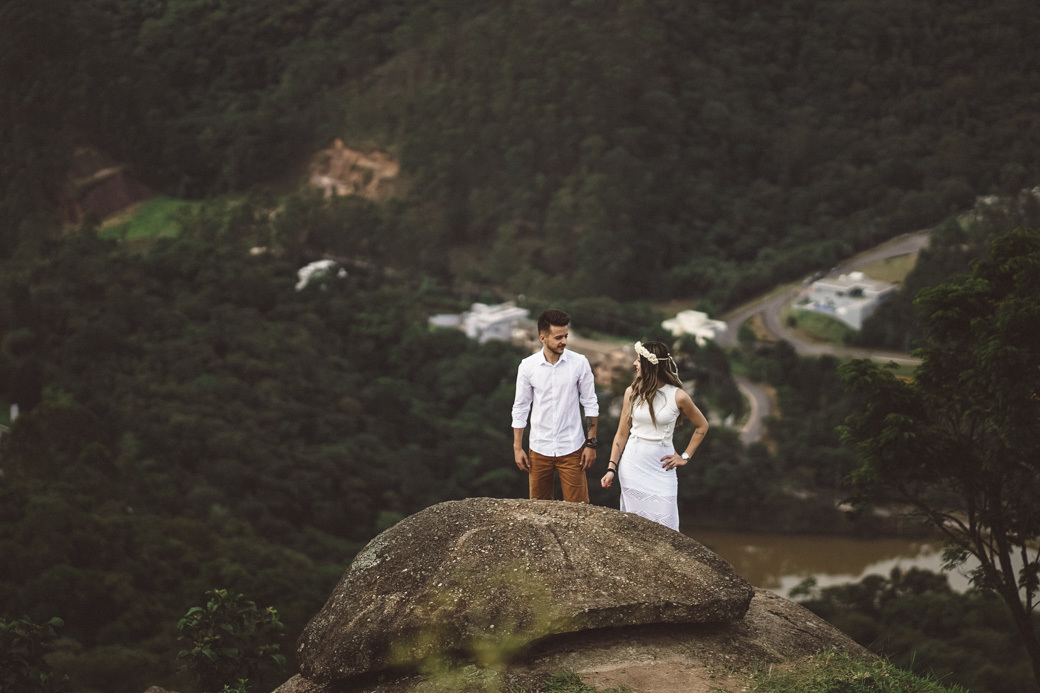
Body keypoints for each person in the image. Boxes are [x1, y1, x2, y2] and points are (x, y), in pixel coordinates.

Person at [601, 341, 708, 530]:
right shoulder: (631, 393)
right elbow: (621, 434)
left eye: (638, 360)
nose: (634, 364)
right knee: (636, 528)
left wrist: (685, 456)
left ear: (650, 365)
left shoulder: (678, 396)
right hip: (632, 465)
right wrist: (611, 468)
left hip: (662, 469)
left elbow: (702, 426)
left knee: (666, 526)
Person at [511, 309, 599, 503]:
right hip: (539, 447)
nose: (564, 342)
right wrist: (518, 448)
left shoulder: (579, 363)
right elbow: (521, 407)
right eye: (558, 337)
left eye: (566, 336)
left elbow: (590, 402)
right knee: (538, 509)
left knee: (579, 509)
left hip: (572, 447)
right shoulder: (527, 366)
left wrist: (591, 444)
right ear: (543, 337)